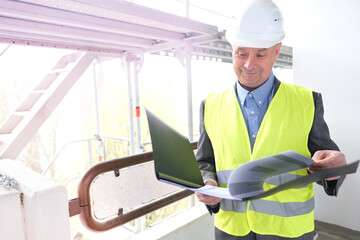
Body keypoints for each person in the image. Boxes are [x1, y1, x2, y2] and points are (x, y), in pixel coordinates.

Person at [195, 0, 347, 239]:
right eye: (241, 53)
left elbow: (328, 164)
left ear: (276, 51)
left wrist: (334, 172)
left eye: (260, 54)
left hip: (289, 232)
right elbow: (205, 161)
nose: (249, 64)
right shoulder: (210, 105)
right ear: (232, 50)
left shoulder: (307, 101)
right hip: (231, 230)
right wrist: (208, 182)